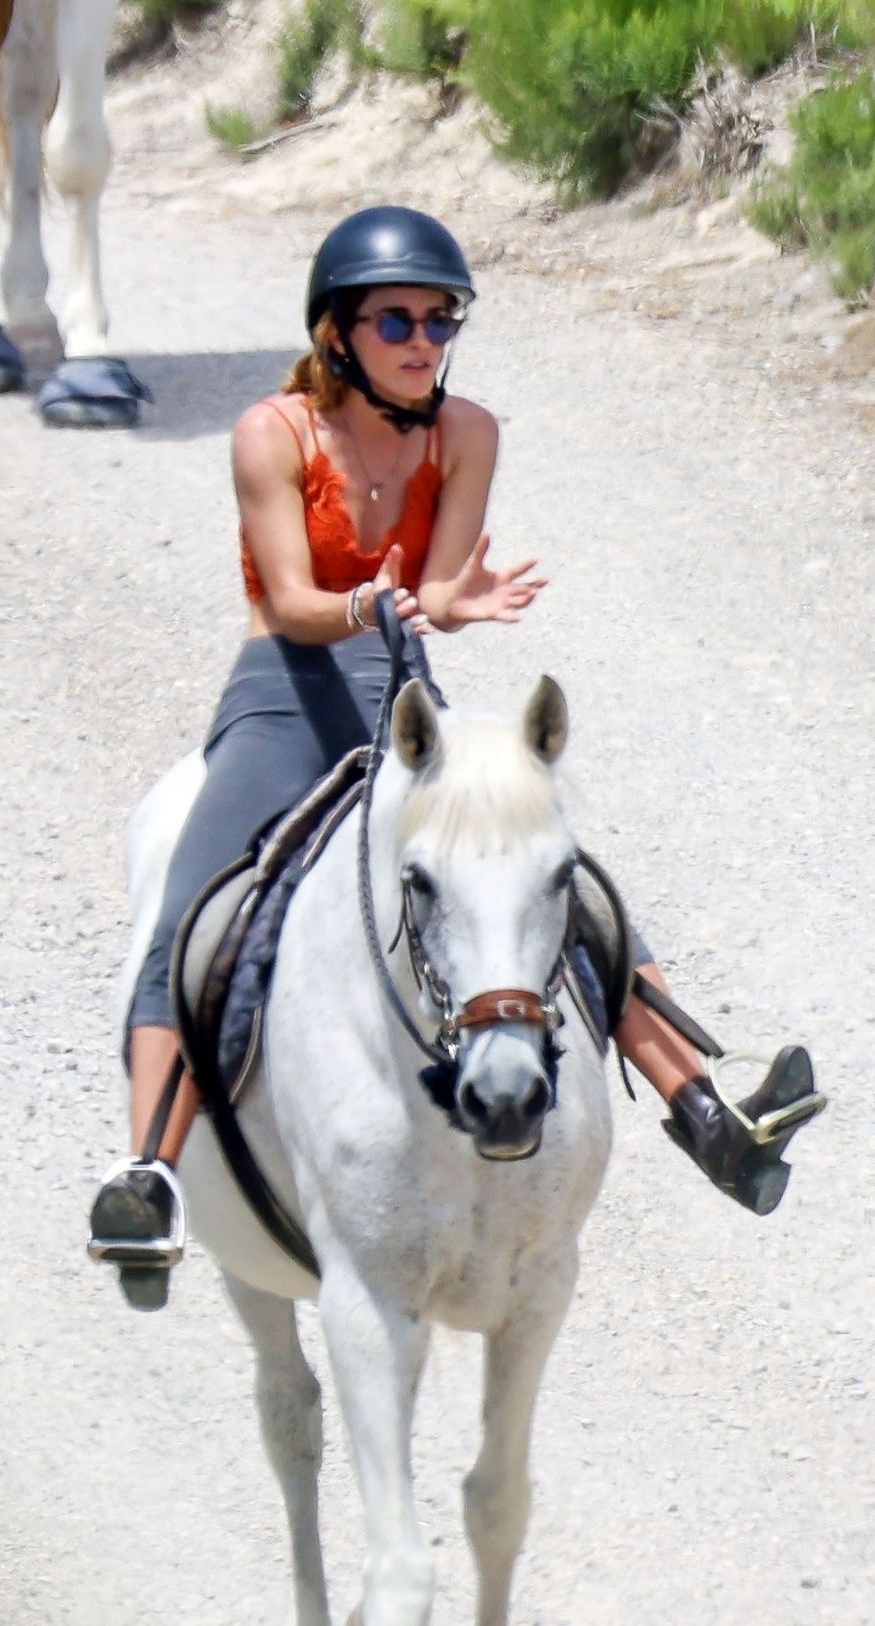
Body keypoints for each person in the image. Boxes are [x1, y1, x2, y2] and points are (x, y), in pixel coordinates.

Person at [88, 206, 824, 1308]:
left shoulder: (465, 431)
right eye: (397, 319)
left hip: (396, 690)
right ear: (337, 333)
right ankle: (148, 1173)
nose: (424, 340)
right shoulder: (269, 432)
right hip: (281, 691)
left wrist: (444, 604)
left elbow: (425, 593)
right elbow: (290, 602)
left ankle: (707, 1112)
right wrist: (392, 601)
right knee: (193, 905)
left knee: (542, 865)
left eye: (442, 319)